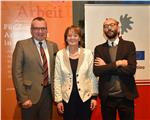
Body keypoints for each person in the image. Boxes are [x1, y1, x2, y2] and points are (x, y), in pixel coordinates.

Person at [12, 17, 58, 120]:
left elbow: (56, 71)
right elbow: (16, 73)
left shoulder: (53, 46)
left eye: (43, 28)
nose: (40, 31)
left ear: (47, 30)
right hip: (29, 95)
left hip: (48, 95)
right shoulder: (22, 45)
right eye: (36, 28)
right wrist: (23, 98)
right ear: (31, 30)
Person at [93, 18, 139, 120]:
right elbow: (97, 71)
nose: (109, 28)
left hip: (126, 97)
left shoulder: (129, 45)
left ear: (118, 27)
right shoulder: (99, 49)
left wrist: (107, 66)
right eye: (105, 26)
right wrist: (118, 63)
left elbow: (131, 70)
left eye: (112, 25)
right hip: (107, 98)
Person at [54, 25, 98, 120]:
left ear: (79, 38)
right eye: (69, 35)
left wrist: (94, 97)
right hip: (67, 98)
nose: (72, 38)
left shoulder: (88, 53)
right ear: (66, 38)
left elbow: (92, 76)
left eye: (75, 35)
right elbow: (57, 78)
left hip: (85, 98)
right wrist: (58, 100)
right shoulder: (60, 55)